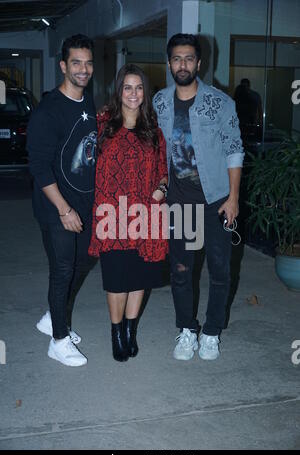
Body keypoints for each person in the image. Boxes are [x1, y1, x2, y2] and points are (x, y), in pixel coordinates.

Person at [153, 33, 244, 361]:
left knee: (220, 271)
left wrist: (233, 198)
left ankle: (212, 332)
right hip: (180, 204)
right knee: (181, 270)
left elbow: (234, 150)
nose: (182, 64)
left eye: (189, 58)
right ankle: (187, 330)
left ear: (199, 63)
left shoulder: (221, 103)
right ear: (169, 63)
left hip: (216, 200)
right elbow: (158, 151)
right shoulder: (160, 102)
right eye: (177, 58)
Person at [88, 64, 168, 362]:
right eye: (127, 87)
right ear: (119, 91)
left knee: (139, 278)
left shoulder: (153, 131)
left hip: (145, 216)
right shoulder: (102, 125)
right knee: (116, 279)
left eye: (138, 88)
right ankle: (116, 333)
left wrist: (162, 189)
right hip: (111, 216)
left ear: (144, 92)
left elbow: (163, 172)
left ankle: (131, 332)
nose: (133, 93)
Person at [27, 34, 97, 367]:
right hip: (57, 208)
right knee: (63, 270)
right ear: (63, 66)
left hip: (84, 204)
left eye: (88, 62)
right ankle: (58, 339)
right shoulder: (48, 111)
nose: (83, 69)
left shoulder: (88, 102)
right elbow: (39, 168)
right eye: (76, 63)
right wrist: (64, 209)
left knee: (83, 263)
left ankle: (51, 319)